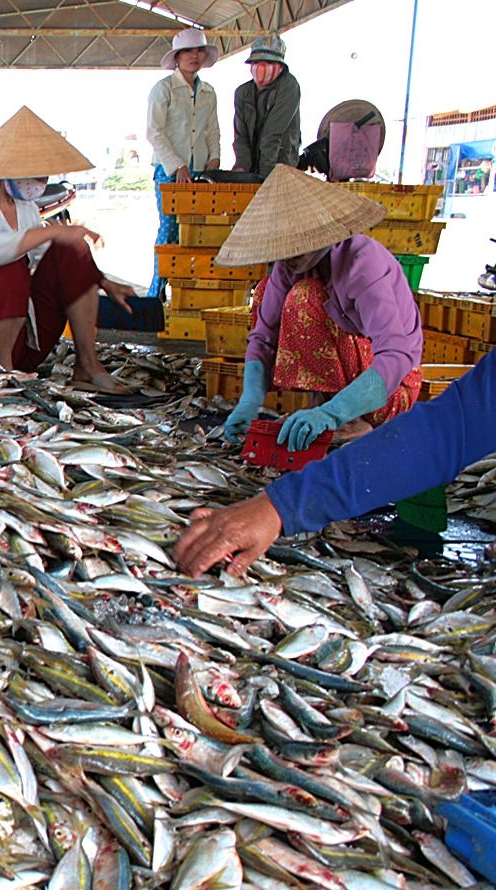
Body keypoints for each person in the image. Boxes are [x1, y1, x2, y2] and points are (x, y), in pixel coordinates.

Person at [176, 351, 495, 578]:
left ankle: (363, 421)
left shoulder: (368, 272)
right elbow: (452, 428)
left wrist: (337, 411)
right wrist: (278, 506)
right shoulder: (285, 281)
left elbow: (443, 428)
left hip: (386, 386)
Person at [0, 106, 136, 393]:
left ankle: (87, 366)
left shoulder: (24, 206)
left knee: (72, 250)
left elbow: (47, 253)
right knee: (8, 266)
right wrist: (52, 231)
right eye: (34, 173)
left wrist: (100, 279)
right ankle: (4, 374)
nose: (41, 182)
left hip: (25, 342)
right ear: (4, 170)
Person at [217, 165, 423, 452]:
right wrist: (250, 400)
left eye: (297, 244)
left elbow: (397, 355)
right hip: (344, 383)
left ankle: (355, 419)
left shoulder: (362, 264)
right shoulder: (290, 267)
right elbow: (263, 337)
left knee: (305, 298)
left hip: (392, 388)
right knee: (267, 290)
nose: (289, 255)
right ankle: (322, 407)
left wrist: (333, 413)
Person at [147, 28, 221, 297]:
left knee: (197, 232)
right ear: (177, 58)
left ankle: (187, 291)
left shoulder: (209, 92)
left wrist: (215, 158)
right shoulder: (163, 89)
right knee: (169, 231)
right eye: (189, 51)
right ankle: (156, 293)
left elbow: (212, 130)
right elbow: (153, 132)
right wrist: (177, 165)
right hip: (169, 171)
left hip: (200, 169)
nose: (195, 56)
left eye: (199, 50)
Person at [231, 35, 301, 178]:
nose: (261, 67)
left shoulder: (289, 86)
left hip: (281, 168)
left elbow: (272, 133)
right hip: (251, 169)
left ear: (280, 67)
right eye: (256, 62)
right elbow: (240, 136)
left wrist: (265, 177)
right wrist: (241, 167)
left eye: (269, 62)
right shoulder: (242, 93)